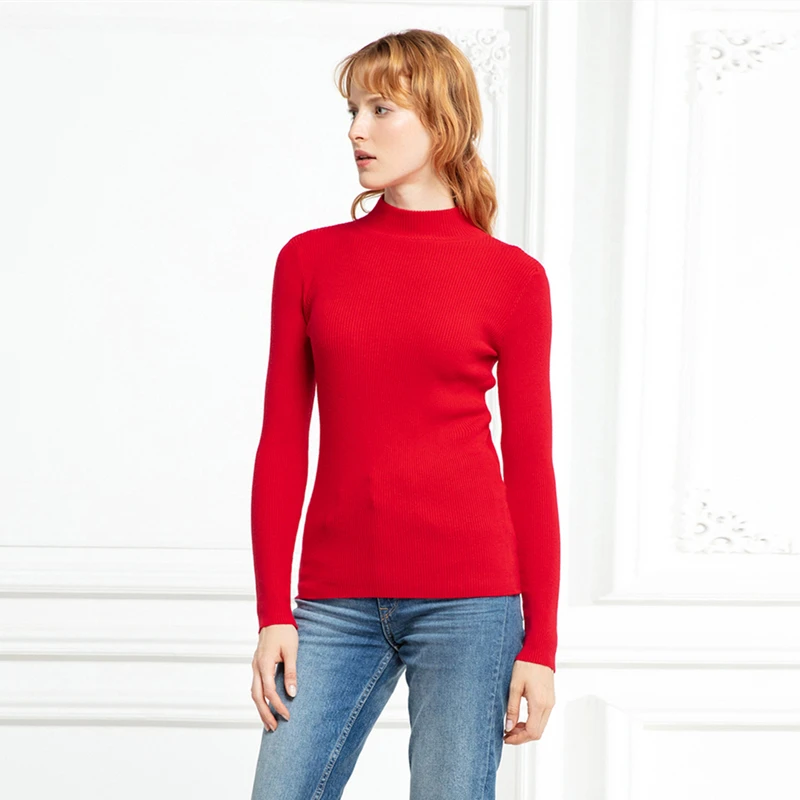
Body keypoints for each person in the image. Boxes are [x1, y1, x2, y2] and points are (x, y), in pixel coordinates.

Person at [249, 28, 560, 800]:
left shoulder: (513, 279)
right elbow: (282, 442)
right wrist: (272, 612)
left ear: (442, 119)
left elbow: (529, 465)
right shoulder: (309, 261)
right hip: (333, 602)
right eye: (352, 110)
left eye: (380, 109)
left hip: (472, 604)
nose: (357, 129)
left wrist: (543, 644)